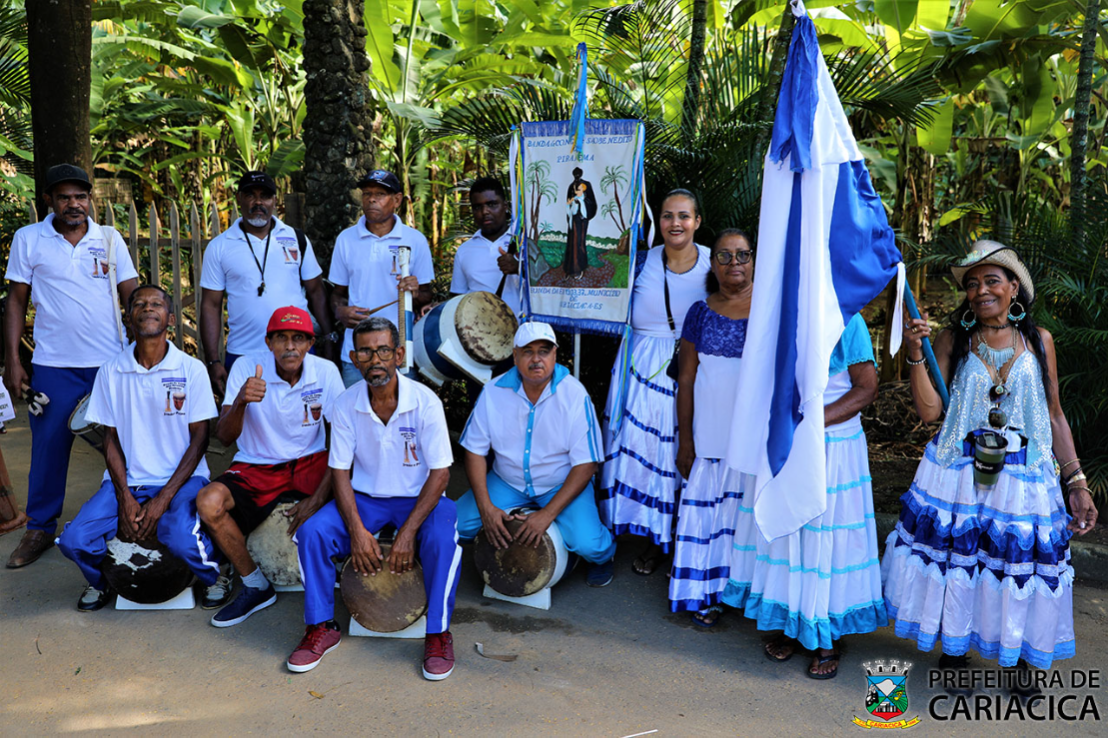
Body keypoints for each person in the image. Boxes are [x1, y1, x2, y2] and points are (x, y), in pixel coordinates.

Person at [883, 240, 1097, 681]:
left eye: (992, 281)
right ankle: (956, 649)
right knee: (964, 562)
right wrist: (915, 352)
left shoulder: (1039, 341)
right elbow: (928, 411)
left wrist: (1077, 481)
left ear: (1014, 288)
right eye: (973, 283)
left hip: (1023, 475)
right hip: (959, 473)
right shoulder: (950, 339)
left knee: (1016, 569)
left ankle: (1020, 658)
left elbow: (1054, 413)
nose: (980, 290)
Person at [290, 317, 460, 679]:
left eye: (383, 349)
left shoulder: (425, 402)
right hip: (366, 498)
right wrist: (356, 530)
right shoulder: (346, 403)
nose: (375, 359)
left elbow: (441, 473)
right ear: (353, 357)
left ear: (398, 354)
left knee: (444, 539)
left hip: (420, 499)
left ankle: (438, 633)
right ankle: (321, 626)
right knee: (312, 533)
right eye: (365, 351)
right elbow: (339, 471)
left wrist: (408, 533)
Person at [723, 310, 885, 679]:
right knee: (787, 532)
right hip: (786, 437)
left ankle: (825, 636)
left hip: (831, 445)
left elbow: (866, 388)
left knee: (823, 538)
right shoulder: (780, 311)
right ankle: (794, 625)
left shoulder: (848, 319)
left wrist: (811, 422)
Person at [55, 285, 225, 611]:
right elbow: (110, 440)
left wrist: (162, 499)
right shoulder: (112, 371)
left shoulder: (190, 369)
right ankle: (102, 582)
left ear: (170, 318)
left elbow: (200, 439)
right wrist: (124, 497)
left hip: (182, 480)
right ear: (128, 317)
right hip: (128, 480)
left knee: (180, 538)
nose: (148, 308)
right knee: (75, 541)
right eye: (140, 304)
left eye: (157, 304)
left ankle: (216, 574)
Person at [3, 163, 139, 568]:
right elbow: (15, 300)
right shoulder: (29, 239)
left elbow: (132, 293)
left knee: (124, 445)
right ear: (49, 200)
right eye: (64, 197)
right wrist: (13, 360)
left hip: (109, 365)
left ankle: (134, 515)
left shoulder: (110, 239)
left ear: (90, 199)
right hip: (53, 366)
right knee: (48, 447)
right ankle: (40, 528)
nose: (73, 204)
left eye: (80, 196)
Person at [196, 306, 344, 627]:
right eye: (282, 338)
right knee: (209, 502)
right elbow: (224, 438)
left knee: (359, 483)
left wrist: (317, 499)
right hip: (257, 464)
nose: (290, 346)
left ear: (310, 343)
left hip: (310, 461)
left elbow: (344, 442)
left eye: (299, 339)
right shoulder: (247, 368)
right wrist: (240, 401)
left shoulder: (326, 371)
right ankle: (254, 584)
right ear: (269, 342)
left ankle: (343, 568)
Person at [600, 189, 711, 576]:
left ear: (697, 221)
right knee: (644, 450)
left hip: (695, 367)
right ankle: (652, 537)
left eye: (684, 215)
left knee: (685, 450)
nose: (675, 223)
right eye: (667, 216)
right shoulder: (639, 261)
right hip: (641, 366)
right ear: (657, 222)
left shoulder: (716, 263)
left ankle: (681, 537)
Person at [455, 322, 616, 586]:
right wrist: (486, 508)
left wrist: (547, 514)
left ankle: (601, 555)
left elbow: (587, 465)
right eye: (527, 352)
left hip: (559, 484)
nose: (536, 359)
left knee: (589, 545)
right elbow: (474, 451)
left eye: (544, 351)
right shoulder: (493, 392)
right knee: (455, 524)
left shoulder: (574, 395)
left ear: (555, 355)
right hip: (507, 482)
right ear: (515, 356)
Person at [669, 230, 756, 625]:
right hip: (709, 440)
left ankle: (750, 597)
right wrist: (685, 441)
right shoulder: (699, 313)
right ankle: (705, 594)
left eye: (742, 255)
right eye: (724, 255)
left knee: (746, 518)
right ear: (713, 263)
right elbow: (685, 380)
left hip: (755, 443)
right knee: (710, 522)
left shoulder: (773, 310)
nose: (734, 263)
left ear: (754, 260)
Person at [200, 171, 333, 397]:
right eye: (250, 195)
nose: (258, 202)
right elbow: (210, 306)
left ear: (274, 201)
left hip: (295, 351)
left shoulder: (296, 238)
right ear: (238, 199)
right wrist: (213, 361)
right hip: (244, 353)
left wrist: (329, 338)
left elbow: (316, 291)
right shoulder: (220, 246)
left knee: (299, 422)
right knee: (247, 424)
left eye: (265, 196)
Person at [330, 170, 434, 388]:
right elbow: (338, 295)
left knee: (402, 415)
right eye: (367, 194)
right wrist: (341, 312)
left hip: (401, 352)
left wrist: (415, 292)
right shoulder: (346, 240)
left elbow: (426, 296)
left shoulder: (415, 240)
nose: (372, 199)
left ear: (396, 200)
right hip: (357, 354)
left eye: (380, 194)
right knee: (356, 415)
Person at [449, 177, 521, 316]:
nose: (485, 212)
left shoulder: (523, 241)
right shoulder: (465, 250)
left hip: (522, 333)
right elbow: (457, 299)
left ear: (505, 206)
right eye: (477, 207)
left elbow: (548, 284)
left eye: (492, 204)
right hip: (479, 335)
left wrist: (519, 268)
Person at [563, 168, 596, 280]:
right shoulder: (570, 187)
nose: (576, 176)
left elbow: (592, 201)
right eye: (575, 174)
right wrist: (571, 205)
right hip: (573, 218)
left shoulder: (586, 185)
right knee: (572, 242)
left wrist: (582, 203)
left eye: (578, 174)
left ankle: (580, 267)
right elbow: (568, 201)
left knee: (580, 242)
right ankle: (570, 268)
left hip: (582, 218)